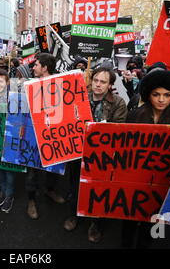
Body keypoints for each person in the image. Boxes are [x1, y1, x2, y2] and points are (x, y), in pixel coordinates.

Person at [122, 68, 170, 249]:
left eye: (167, 95)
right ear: (148, 95)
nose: (161, 99)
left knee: (155, 225)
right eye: (156, 94)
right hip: (136, 180)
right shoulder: (133, 116)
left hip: (163, 183)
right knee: (128, 222)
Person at [65, 67, 128, 242]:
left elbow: (119, 130)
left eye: (103, 82)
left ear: (110, 85)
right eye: (96, 80)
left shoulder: (118, 103)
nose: (98, 85)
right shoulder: (79, 97)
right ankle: (73, 215)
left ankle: (96, 224)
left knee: (99, 191)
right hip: (78, 154)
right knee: (75, 187)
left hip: (102, 158)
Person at [26, 53, 65, 220]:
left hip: (53, 135)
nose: (33, 67)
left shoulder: (61, 85)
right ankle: (31, 200)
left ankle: (50, 190)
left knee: (53, 166)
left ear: (45, 68)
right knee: (32, 170)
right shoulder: (29, 85)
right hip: (33, 135)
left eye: (36, 65)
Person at [0, 69, 16, 212]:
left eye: (0, 81)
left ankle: (9, 195)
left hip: (9, 139)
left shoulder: (15, 98)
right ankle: (3, 191)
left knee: (9, 170)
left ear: (7, 82)